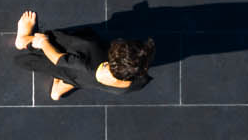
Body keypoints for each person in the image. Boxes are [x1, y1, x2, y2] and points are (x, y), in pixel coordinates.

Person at [11, 10, 154, 100]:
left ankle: (23, 41)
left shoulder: (87, 60)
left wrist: (43, 43)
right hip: (83, 80)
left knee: (61, 51)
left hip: (71, 68)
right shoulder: (134, 84)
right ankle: (56, 92)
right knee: (77, 80)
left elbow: (58, 59)